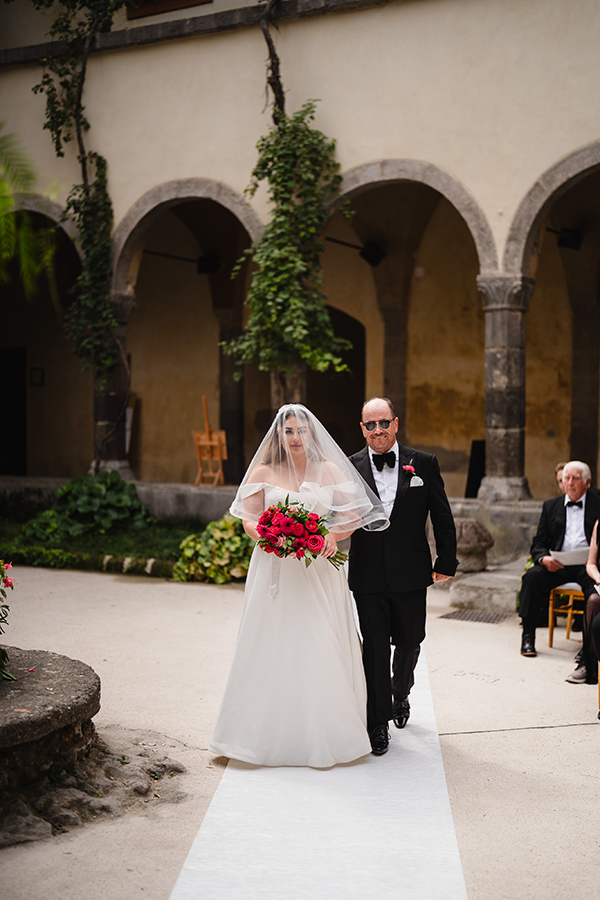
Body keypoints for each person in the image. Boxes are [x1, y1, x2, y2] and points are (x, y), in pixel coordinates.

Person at [209, 404, 389, 768]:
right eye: (288, 431)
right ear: (279, 435)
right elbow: (249, 519)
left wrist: (332, 535)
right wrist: (270, 536)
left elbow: (353, 514)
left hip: (319, 568)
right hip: (275, 568)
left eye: (301, 431)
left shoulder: (330, 469)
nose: (295, 438)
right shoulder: (262, 471)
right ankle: (259, 734)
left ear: (312, 434)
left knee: (319, 638)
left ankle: (324, 733)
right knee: (271, 640)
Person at [347, 397, 458, 756]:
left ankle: (401, 693)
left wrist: (446, 560)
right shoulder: (349, 467)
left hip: (411, 571)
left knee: (410, 641)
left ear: (395, 423)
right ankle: (377, 723)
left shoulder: (423, 463)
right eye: (370, 425)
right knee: (375, 647)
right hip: (367, 573)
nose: (377, 430)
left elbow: (441, 514)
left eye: (383, 423)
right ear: (362, 429)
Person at [519, 460, 600, 660]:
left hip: (587, 566)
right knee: (532, 577)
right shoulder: (551, 506)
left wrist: (594, 561)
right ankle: (527, 637)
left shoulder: (598, 503)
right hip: (559, 565)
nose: (569, 483)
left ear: (587, 482)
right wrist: (544, 558)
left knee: (595, 593)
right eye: (566, 478)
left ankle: (588, 647)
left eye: (575, 478)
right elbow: (538, 543)